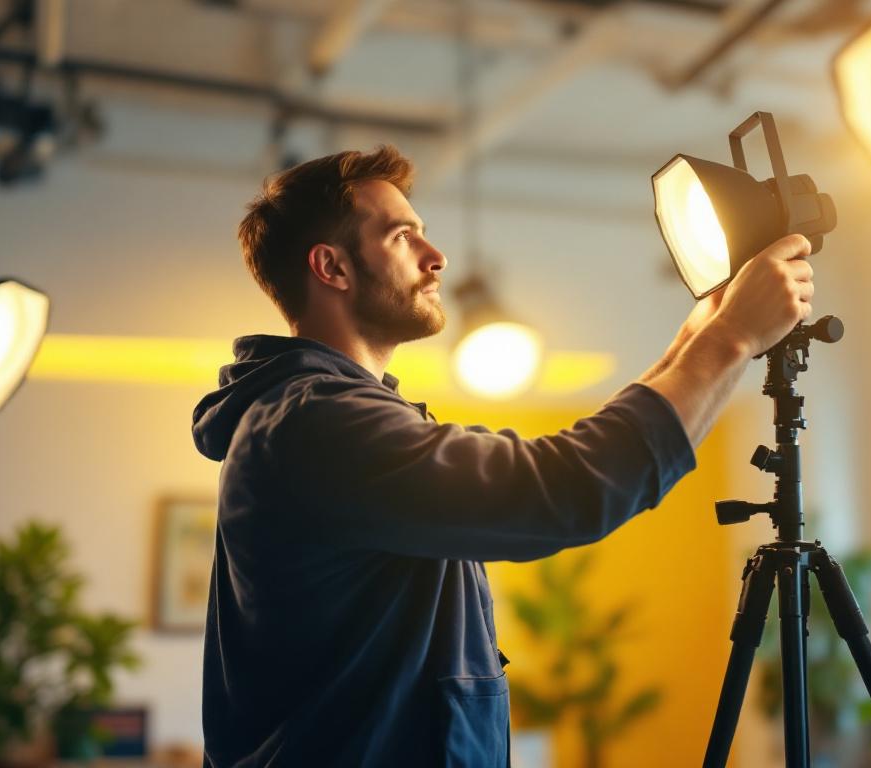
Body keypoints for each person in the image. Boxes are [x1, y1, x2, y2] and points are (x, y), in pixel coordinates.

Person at [191, 145, 815, 767]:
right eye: (403, 237)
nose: (436, 259)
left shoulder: (324, 418)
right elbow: (564, 488)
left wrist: (702, 334)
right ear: (332, 267)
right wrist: (731, 338)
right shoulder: (317, 424)